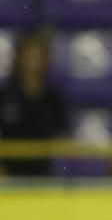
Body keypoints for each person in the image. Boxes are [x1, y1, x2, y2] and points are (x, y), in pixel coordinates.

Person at [0, 33, 67, 177]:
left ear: (46, 60)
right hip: (8, 176)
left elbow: (62, 138)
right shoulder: (5, 95)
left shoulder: (53, 98)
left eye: (37, 57)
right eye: (29, 56)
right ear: (19, 58)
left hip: (44, 176)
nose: (33, 63)